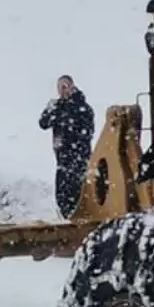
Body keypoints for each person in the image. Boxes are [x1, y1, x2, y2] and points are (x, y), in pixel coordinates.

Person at [39, 74, 95, 218]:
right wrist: (50, 109)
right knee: (62, 192)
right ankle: (67, 216)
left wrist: (70, 131)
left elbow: (87, 131)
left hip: (78, 157)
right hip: (62, 159)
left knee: (79, 190)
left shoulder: (82, 106)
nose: (62, 91)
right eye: (59, 87)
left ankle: (78, 216)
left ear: (72, 87)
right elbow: (43, 123)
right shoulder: (58, 107)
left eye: (65, 87)